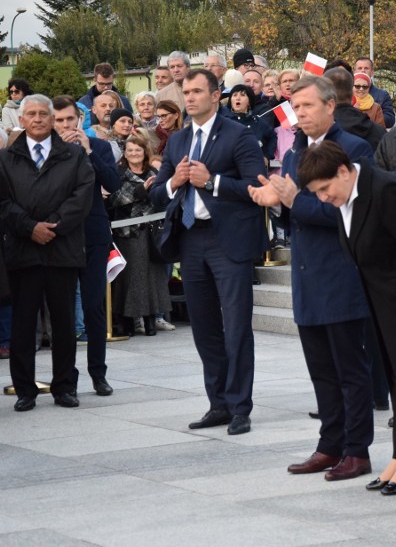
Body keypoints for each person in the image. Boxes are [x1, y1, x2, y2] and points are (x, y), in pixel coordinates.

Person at [289, 140, 396, 494]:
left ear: (344, 171)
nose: (322, 198)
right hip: (382, 304)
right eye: (315, 193)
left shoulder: (385, 189)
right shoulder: (348, 195)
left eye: (324, 189)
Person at [249, 75, 376, 481]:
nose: (299, 114)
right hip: (306, 274)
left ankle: (357, 451)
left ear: (329, 106)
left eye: (306, 106)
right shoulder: (294, 153)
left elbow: (349, 214)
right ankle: (329, 445)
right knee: (321, 369)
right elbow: (295, 214)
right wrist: (277, 204)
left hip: (341, 273)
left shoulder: (353, 149)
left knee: (350, 370)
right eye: (295, 107)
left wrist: (294, 202)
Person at [149, 69, 268, 435]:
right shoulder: (178, 140)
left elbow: (254, 186)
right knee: (204, 328)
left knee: (235, 328)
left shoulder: (239, 135)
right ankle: (217, 403)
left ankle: (239, 407)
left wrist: (212, 182)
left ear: (216, 95)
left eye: (198, 91)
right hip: (191, 240)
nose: (190, 97)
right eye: (186, 91)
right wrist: (175, 181)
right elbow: (156, 194)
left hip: (227, 241)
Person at [0, 94, 95, 412]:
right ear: (22, 120)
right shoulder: (6, 159)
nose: (38, 119)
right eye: (32, 114)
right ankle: (25, 389)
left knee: (64, 323)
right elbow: (3, 203)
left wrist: (51, 226)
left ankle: (65, 386)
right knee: (23, 324)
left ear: (53, 119)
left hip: (62, 249)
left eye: (44, 114)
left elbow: (82, 196)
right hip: (23, 252)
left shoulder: (74, 155)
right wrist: (30, 228)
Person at [53, 94, 121, 395]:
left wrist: (89, 150)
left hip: (94, 234)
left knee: (94, 307)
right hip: (61, 237)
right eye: (60, 121)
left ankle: (98, 373)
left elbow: (113, 183)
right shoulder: (47, 151)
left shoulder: (101, 147)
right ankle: (66, 378)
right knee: (64, 310)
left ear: (79, 119)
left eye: (70, 119)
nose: (66, 125)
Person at [107, 134, 172, 337]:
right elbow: (114, 199)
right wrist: (141, 190)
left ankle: (152, 320)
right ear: (125, 153)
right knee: (131, 279)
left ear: (145, 152)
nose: (134, 153)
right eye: (130, 150)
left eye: (138, 150)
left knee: (154, 276)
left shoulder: (153, 171)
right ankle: (128, 322)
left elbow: (163, 197)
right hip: (127, 232)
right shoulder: (117, 172)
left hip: (153, 231)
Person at [324, 67, 385, 150]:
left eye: (365, 87)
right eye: (357, 86)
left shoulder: (317, 132)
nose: (361, 89)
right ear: (352, 90)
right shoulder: (378, 132)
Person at [224, 84, 276, 163]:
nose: (238, 98)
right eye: (234, 95)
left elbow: (273, 136)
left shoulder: (258, 122)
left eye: (242, 95)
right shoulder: (224, 122)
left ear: (249, 101)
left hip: (253, 168)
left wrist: (267, 156)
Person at [353, 57, 396, 128]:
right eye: (360, 68)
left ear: (372, 72)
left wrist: (373, 116)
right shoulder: (346, 94)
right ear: (354, 71)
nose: (363, 71)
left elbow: (390, 120)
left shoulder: (382, 95)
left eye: (366, 68)